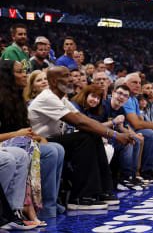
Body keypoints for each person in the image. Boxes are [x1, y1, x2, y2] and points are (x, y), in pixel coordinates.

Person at [28, 66, 133, 210]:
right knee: (84, 138)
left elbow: (83, 118)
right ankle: (79, 197)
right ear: (53, 81)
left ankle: (103, 190)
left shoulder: (61, 98)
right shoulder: (47, 97)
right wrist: (114, 134)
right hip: (40, 142)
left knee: (92, 134)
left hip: (53, 140)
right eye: (66, 76)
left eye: (70, 75)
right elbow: (79, 122)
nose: (71, 79)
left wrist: (114, 133)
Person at [0, 60, 65, 222]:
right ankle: (29, 208)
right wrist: (17, 134)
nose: (24, 74)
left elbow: (25, 129)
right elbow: (14, 133)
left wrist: (37, 137)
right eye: (19, 72)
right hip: (6, 145)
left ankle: (51, 203)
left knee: (56, 148)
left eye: (24, 71)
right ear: (7, 76)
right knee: (48, 152)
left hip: (19, 142)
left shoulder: (17, 98)